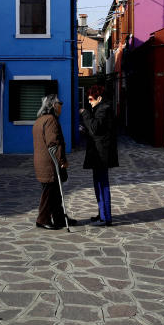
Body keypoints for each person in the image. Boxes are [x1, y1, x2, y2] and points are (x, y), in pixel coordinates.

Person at [79, 84, 118, 226]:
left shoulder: (104, 109)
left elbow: (95, 127)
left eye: (91, 99)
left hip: (102, 155)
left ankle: (107, 217)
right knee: (98, 184)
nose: (89, 102)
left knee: (103, 184)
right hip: (98, 154)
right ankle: (102, 213)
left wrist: (85, 113)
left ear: (99, 98)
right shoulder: (99, 109)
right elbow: (96, 129)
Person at [32, 93, 71, 230]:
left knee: (54, 192)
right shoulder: (50, 120)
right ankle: (42, 219)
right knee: (49, 193)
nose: (61, 107)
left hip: (43, 161)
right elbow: (53, 144)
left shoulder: (40, 120)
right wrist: (62, 160)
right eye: (59, 104)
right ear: (53, 106)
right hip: (49, 163)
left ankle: (59, 218)